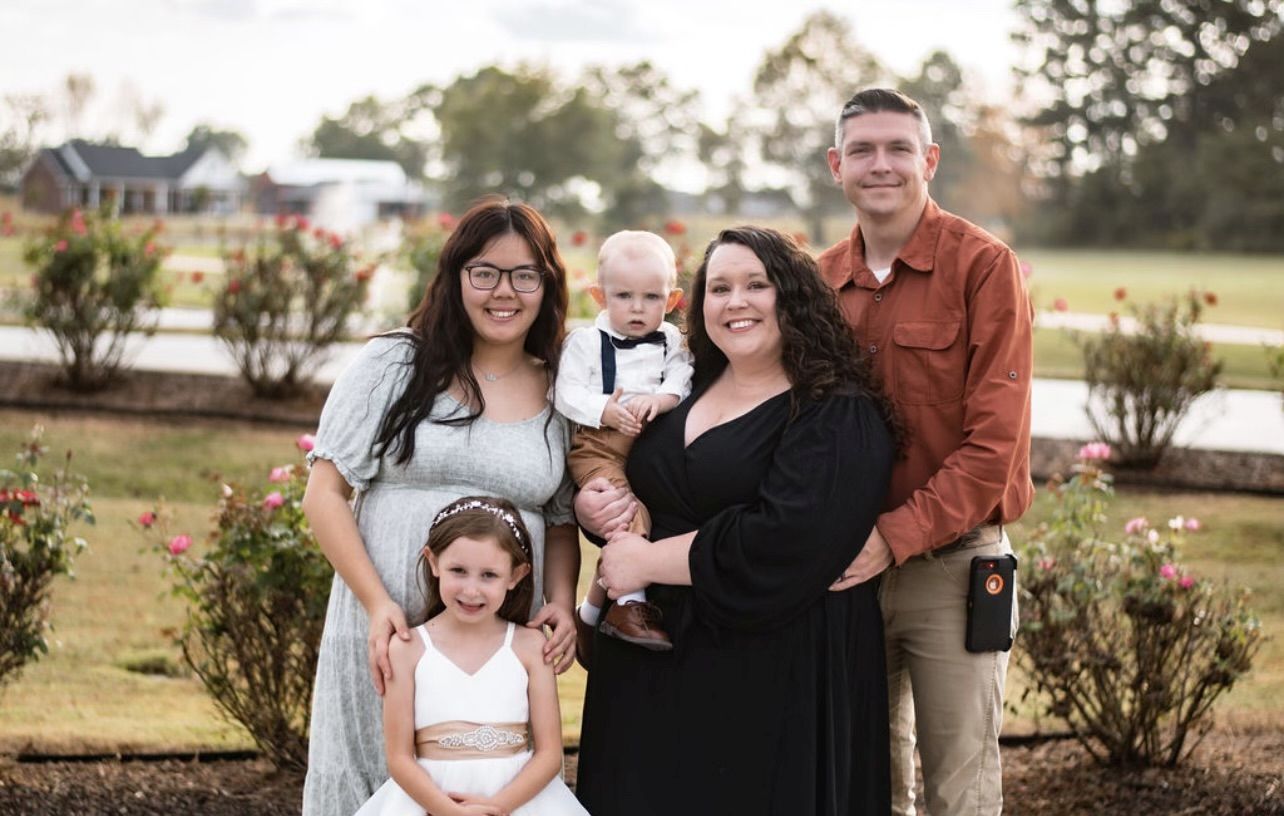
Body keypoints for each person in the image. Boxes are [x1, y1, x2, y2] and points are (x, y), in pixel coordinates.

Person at [574, 226, 898, 815]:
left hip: (768, 681)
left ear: (793, 295)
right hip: (650, 670)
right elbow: (639, 483)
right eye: (718, 288)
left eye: (757, 284)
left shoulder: (834, 411)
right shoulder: (682, 388)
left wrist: (646, 561)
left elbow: (785, 540)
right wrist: (595, 505)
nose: (735, 301)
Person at [300, 197, 582, 816]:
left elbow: (562, 521)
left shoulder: (562, 385)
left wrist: (560, 601)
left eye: (524, 275)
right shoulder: (395, 363)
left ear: (547, 285)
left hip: (497, 641)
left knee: (486, 792)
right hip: (385, 626)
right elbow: (324, 493)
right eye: (485, 272)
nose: (503, 292)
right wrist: (378, 606)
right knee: (369, 777)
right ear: (456, 277)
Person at [820, 88, 1034, 816]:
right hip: (842, 573)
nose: (881, 165)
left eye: (899, 148)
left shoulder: (983, 268)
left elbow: (994, 447)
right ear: (835, 166)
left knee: (959, 789)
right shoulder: (817, 285)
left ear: (930, 160)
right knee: (860, 783)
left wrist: (895, 536)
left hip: (953, 567)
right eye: (862, 151)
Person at [355, 496, 589, 816]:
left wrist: (496, 808)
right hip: (431, 801)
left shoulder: (531, 647)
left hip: (517, 800)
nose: (471, 589)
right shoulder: (407, 649)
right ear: (433, 562)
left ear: (516, 575)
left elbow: (549, 755)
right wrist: (449, 811)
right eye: (458, 570)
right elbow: (399, 758)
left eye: (488, 575)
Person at [554, 229, 692, 653]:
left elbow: (682, 377)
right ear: (599, 296)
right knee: (625, 511)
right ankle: (630, 605)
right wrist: (603, 410)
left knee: (652, 511)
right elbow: (565, 392)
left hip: (650, 439)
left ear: (671, 301)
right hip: (600, 444)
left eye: (651, 298)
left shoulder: (672, 340)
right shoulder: (584, 342)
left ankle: (592, 614)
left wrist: (662, 399)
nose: (637, 308)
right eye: (623, 296)